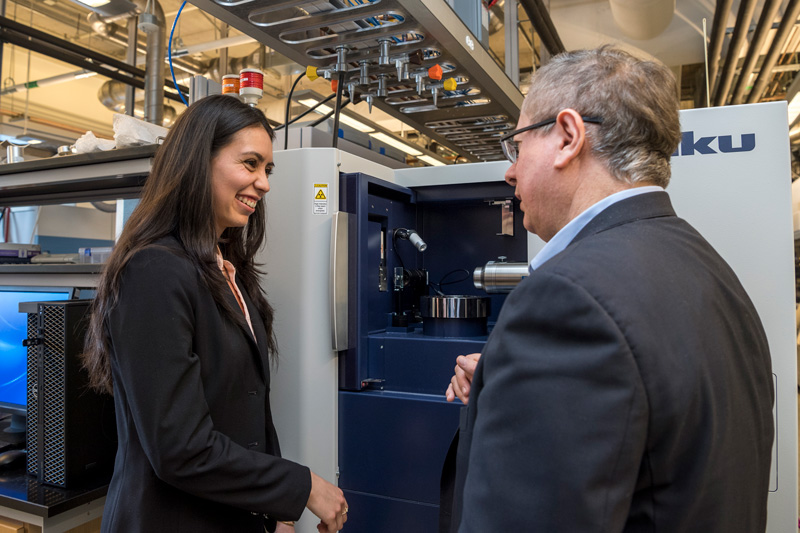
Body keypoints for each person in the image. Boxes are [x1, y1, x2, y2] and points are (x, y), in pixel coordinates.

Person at [440, 47, 775, 532]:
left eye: (517, 146)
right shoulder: (709, 268)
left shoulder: (566, 298)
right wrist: (513, 388)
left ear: (567, 138)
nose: (510, 170)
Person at [82, 94, 348, 533]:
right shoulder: (153, 272)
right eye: (250, 164)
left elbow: (248, 413)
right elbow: (179, 447)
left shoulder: (226, 271)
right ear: (197, 163)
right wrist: (303, 488)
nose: (263, 183)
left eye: (268, 170)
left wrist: (274, 512)